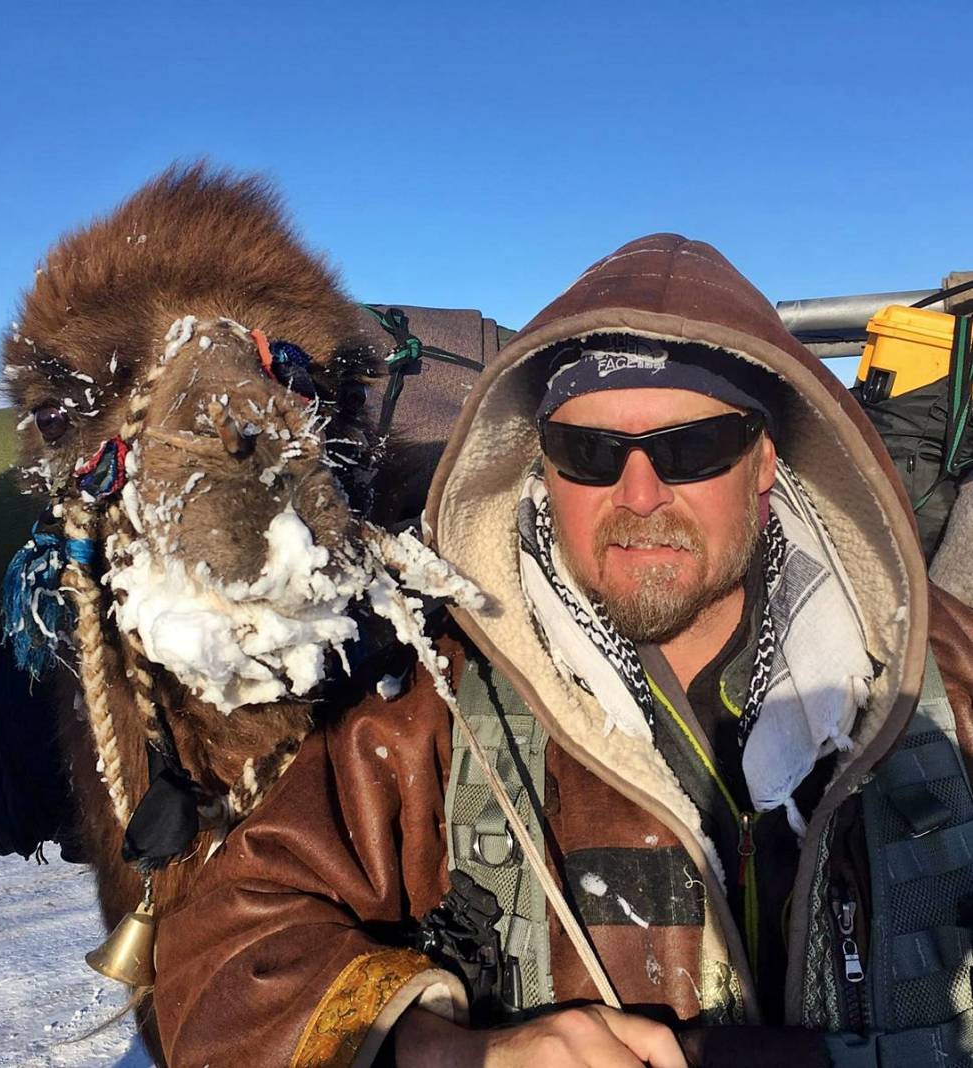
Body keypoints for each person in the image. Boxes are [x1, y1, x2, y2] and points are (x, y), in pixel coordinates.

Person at [151, 234, 973, 1067]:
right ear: (543, 465)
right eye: (592, 453)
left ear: (763, 462)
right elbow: (216, 956)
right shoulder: (439, 704)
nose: (640, 495)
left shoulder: (940, 674)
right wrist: (441, 1049)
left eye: (691, 449)